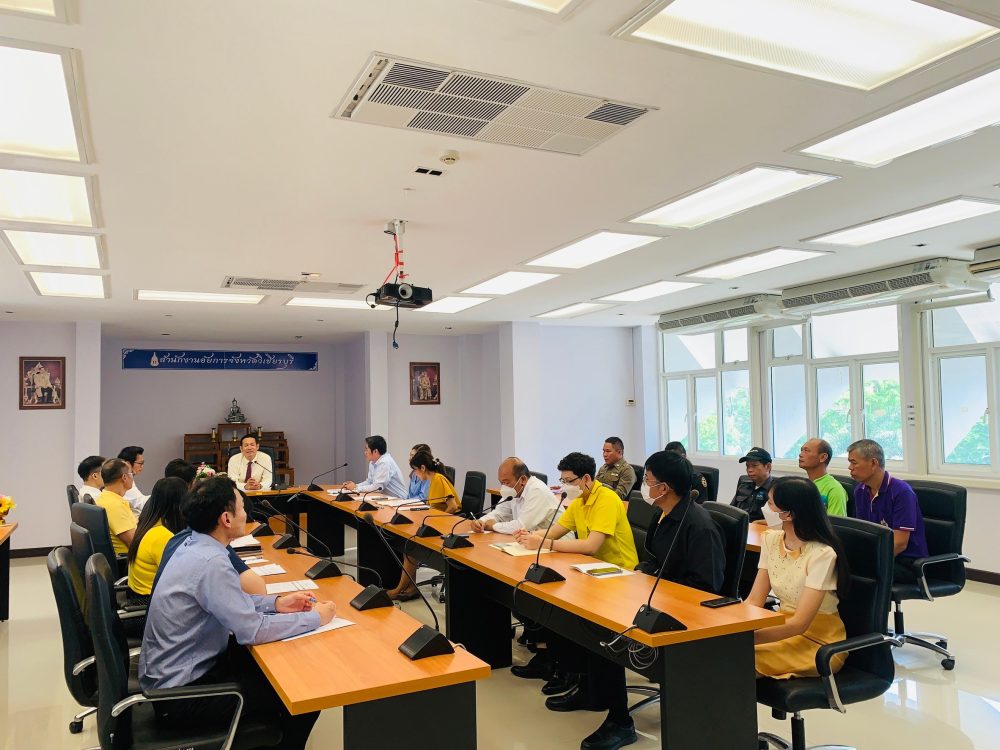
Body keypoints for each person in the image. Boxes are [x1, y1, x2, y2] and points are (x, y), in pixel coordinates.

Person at [139, 476, 335, 749]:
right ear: (226, 519)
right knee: (303, 690)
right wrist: (316, 618)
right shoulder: (212, 562)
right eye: (242, 507)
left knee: (276, 669)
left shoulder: (193, 545)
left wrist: (276, 603)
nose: (247, 513)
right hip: (181, 697)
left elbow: (228, 601)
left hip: (175, 677)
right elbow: (251, 630)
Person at [560, 450, 726, 750]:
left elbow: (707, 587)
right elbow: (657, 561)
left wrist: (656, 589)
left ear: (665, 488)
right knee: (593, 617)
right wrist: (640, 574)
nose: (644, 488)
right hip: (655, 596)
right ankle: (595, 694)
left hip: (685, 613)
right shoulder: (663, 514)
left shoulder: (698, 526)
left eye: (648, 481)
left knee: (608, 634)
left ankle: (620, 722)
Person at [513, 453, 638, 711]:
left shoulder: (606, 499)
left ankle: (582, 682)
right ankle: (568, 672)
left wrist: (546, 543)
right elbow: (555, 531)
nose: (565, 485)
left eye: (569, 480)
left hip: (618, 576)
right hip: (590, 572)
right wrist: (529, 536)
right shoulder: (579, 501)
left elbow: (591, 546)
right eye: (562, 480)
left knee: (571, 616)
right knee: (555, 607)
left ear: (586, 478)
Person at [747, 476, 850, 679]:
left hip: (818, 642)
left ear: (789, 514)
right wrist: (729, 629)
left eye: (770, 503)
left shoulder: (821, 554)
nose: (765, 508)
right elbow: (753, 601)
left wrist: (747, 639)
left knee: (734, 660)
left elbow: (799, 624)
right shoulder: (770, 539)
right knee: (721, 653)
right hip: (781, 629)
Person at [848, 439, 927, 582]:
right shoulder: (860, 490)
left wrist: (869, 560)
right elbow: (862, 532)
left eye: (854, 463)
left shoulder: (901, 492)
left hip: (907, 562)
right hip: (878, 554)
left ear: (874, 463)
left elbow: (900, 543)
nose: (850, 467)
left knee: (856, 573)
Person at [385, 449, 459, 601]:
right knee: (409, 548)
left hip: (446, 526)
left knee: (411, 548)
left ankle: (400, 589)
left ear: (423, 468)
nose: (415, 474)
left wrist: (436, 520)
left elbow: (452, 506)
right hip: (436, 522)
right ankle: (410, 588)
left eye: (415, 470)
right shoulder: (433, 480)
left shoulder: (438, 479)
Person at [127, 477, 188, 605]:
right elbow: (182, 578)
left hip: (139, 595)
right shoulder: (161, 536)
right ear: (179, 504)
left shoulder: (149, 524)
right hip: (149, 602)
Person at [471, 457, 558, 534]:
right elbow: (499, 514)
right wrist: (481, 522)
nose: (504, 487)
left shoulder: (537, 490)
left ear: (523, 479)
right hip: (532, 540)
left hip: (555, 543)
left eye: (506, 482)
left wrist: (494, 526)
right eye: (501, 483)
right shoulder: (514, 493)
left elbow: (521, 527)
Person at [95, 458, 138, 555]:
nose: (133, 476)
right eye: (131, 473)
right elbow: (133, 543)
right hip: (127, 559)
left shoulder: (105, 497)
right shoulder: (115, 505)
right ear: (124, 477)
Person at [343, 435, 407, 499]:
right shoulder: (373, 461)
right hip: (387, 498)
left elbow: (377, 488)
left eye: (367, 449)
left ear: (375, 451)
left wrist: (356, 488)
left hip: (400, 500)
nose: (365, 452)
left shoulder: (385, 462)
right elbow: (369, 482)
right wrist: (354, 486)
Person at [798, 438, 847, 516]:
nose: (800, 454)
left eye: (806, 451)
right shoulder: (802, 485)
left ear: (823, 457)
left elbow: (836, 522)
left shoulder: (834, 489)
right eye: (801, 450)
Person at [731, 447, 774, 522]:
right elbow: (731, 510)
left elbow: (779, 520)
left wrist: (757, 523)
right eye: (747, 466)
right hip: (739, 526)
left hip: (760, 528)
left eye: (754, 466)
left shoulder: (776, 490)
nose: (749, 470)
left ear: (768, 466)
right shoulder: (743, 486)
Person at [594, 437, 636, 501]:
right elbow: (594, 487)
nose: (604, 454)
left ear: (619, 452)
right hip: (600, 501)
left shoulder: (627, 470)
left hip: (614, 504)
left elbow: (618, 496)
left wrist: (601, 486)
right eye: (604, 451)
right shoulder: (603, 468)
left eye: (608, 451)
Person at [118, 446, 150, 515]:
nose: (142, 466)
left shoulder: (124, 477)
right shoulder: (123, 481)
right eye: (140, 463)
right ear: (127, 464)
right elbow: (142, 504)